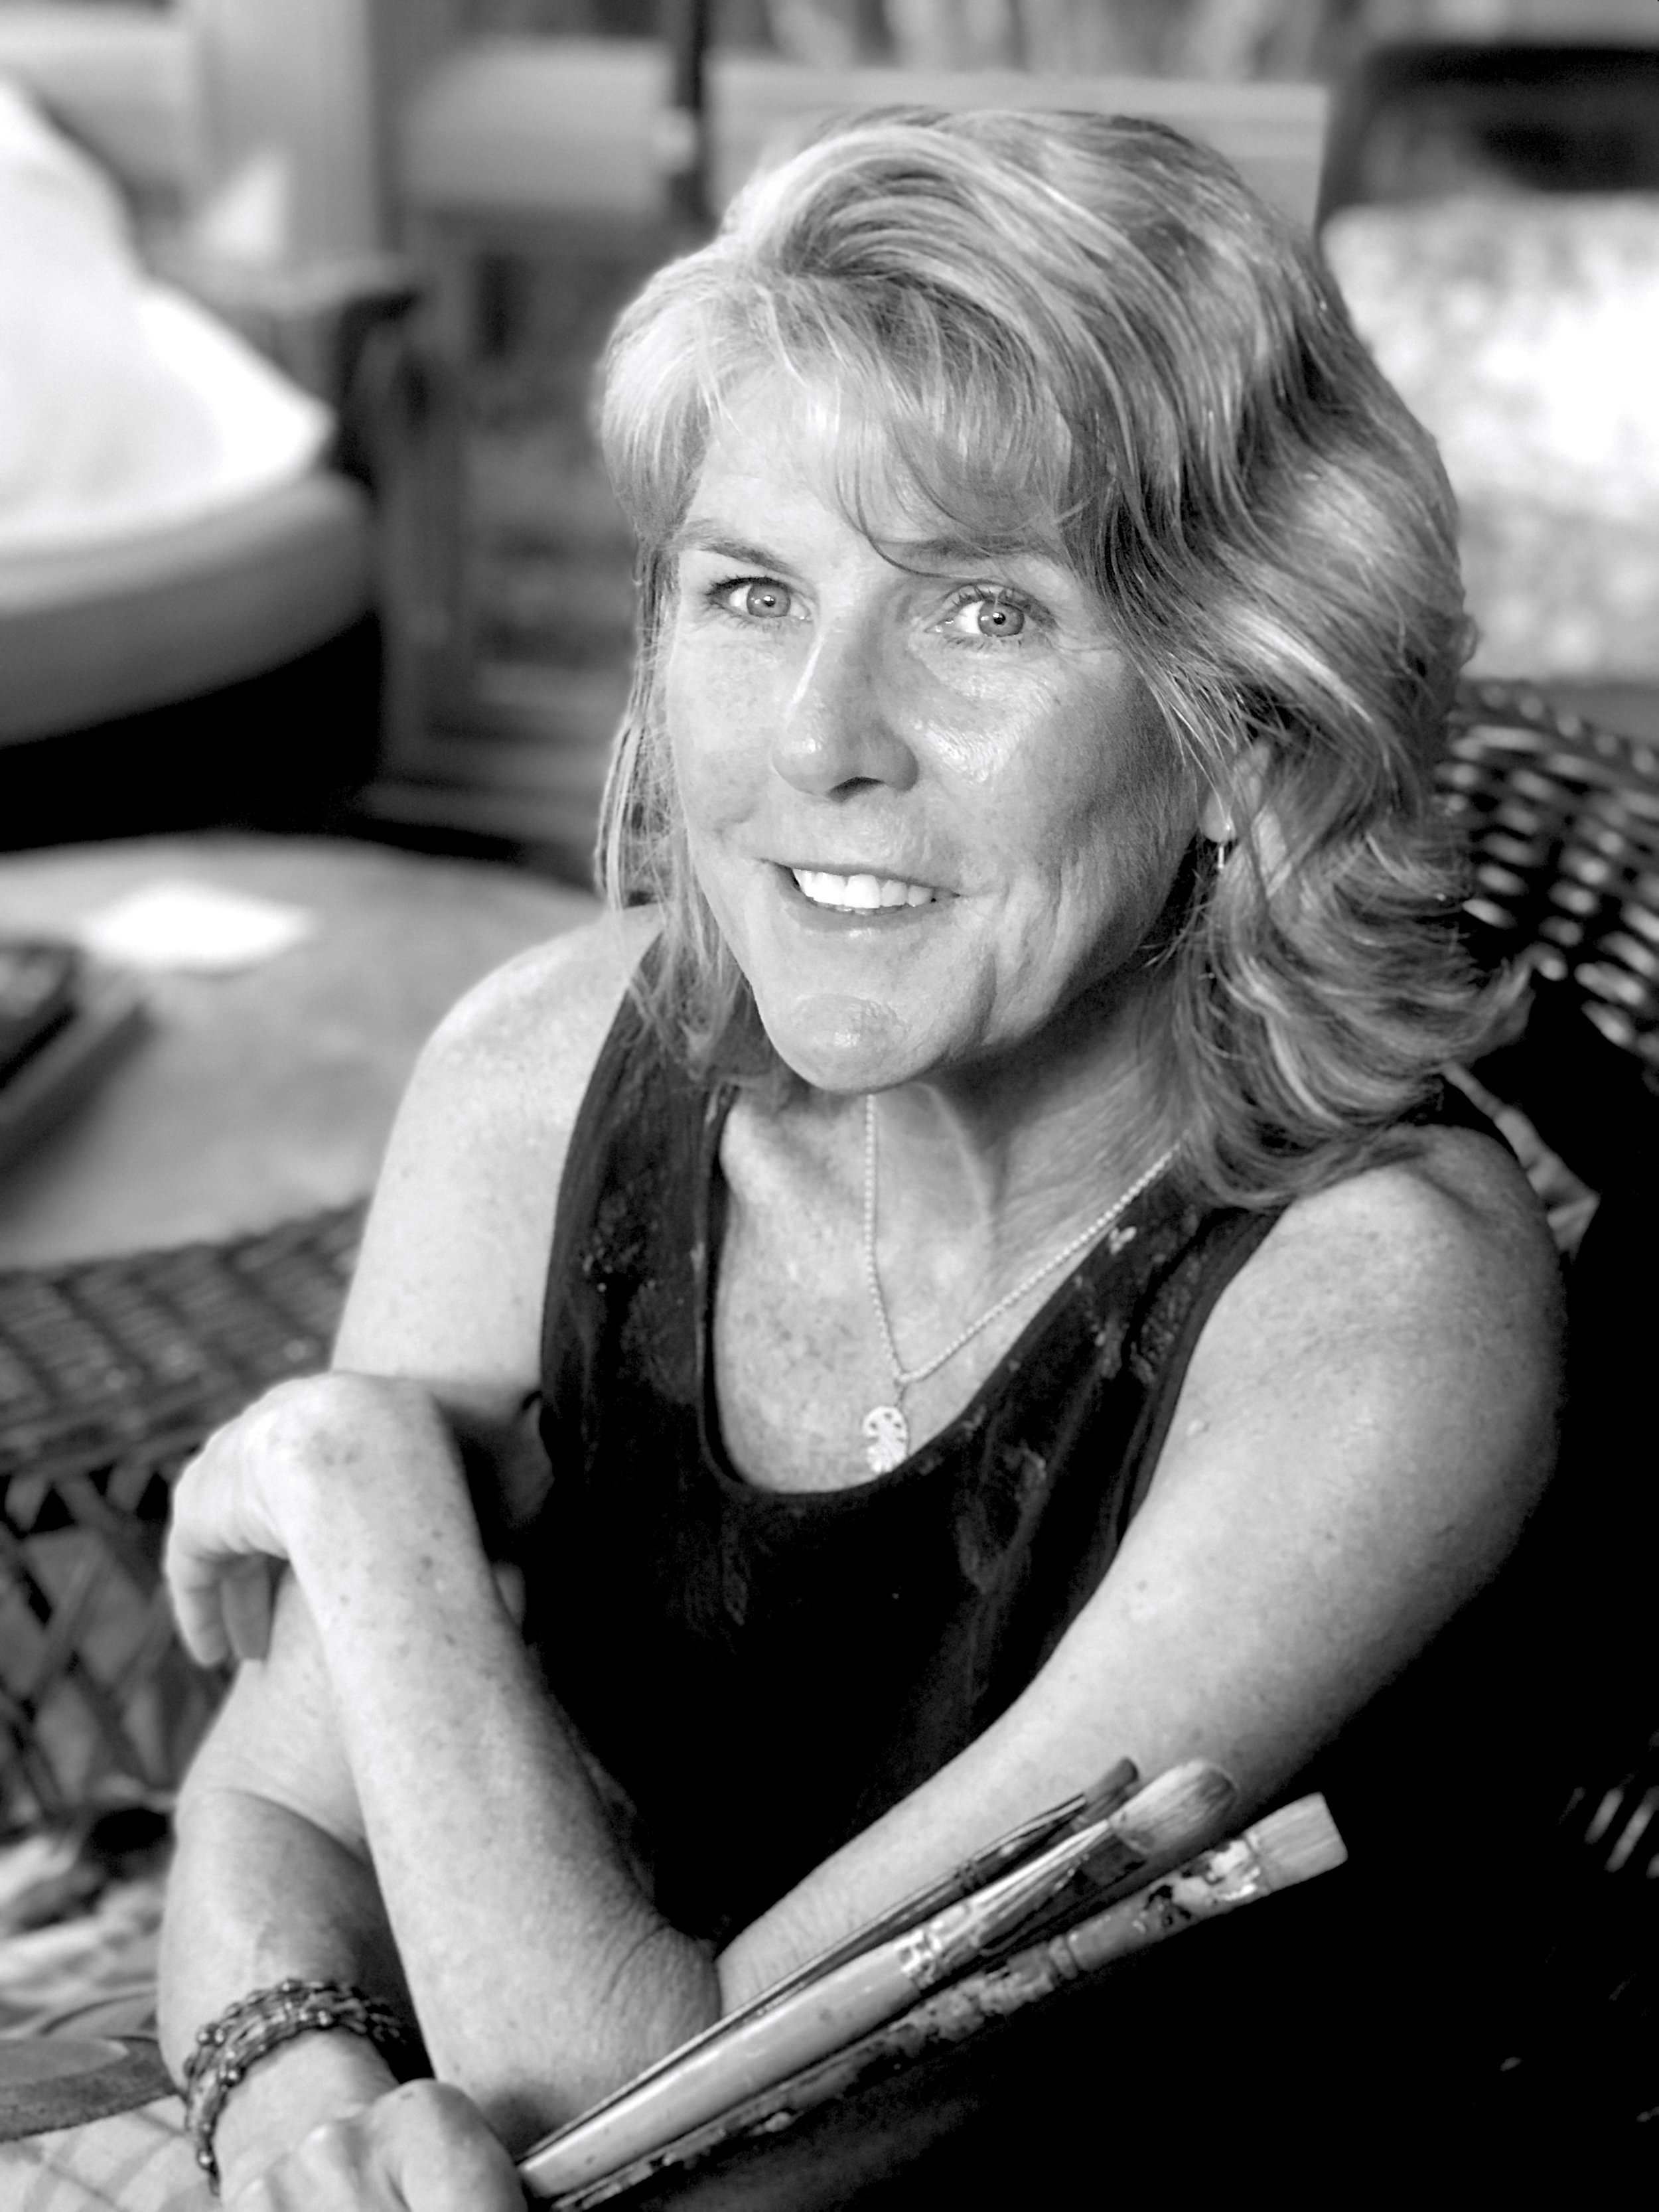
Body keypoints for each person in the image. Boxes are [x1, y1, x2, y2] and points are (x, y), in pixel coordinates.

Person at [149, 109, 1559, 2207]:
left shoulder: (1377, 1308)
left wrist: (363, 1496)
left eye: (980, 615)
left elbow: (695, 2133)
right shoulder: (536, 1076)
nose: (815, 738)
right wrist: (316, 2131)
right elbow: (272, 1826)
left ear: (1241, 727)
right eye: (747, 592)